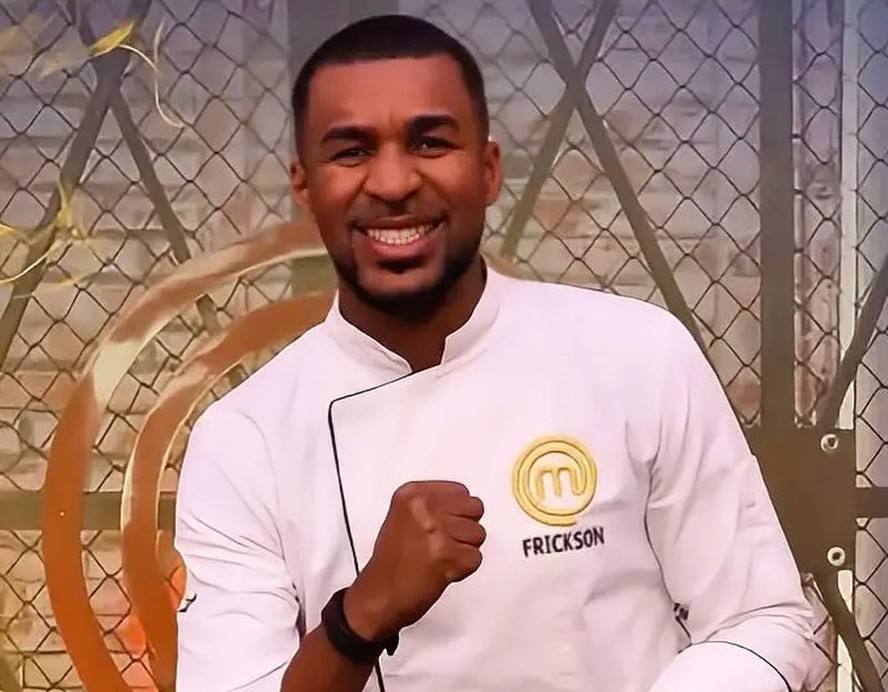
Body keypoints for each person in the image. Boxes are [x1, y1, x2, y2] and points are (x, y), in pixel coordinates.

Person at [173, 13, 818, 692]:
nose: (391, 183)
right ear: (305, 186)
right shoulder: (245, 440)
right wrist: (361, 614)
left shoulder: (637, 355)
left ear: (487, 170)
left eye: (429, 142)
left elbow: (763, 621)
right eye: (352, 151)